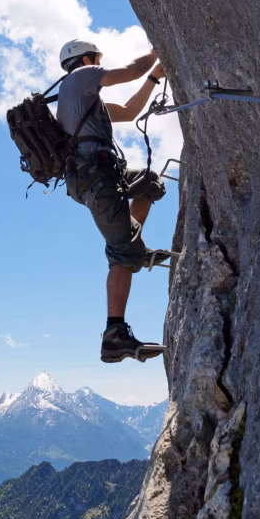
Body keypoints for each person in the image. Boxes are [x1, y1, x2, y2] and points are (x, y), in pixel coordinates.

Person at [56, 39, 170, 363]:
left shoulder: (87, 102)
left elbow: (132, 111)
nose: (97, 64)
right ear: (87, 60)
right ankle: (114, 334)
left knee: (149, 183)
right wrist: (155, 49)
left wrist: (154, 78)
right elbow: (132, 70)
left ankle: (136, 245)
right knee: (121, 253)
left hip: (102, 176)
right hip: (97, 181)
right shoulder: (80, 79)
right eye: (95, 60)